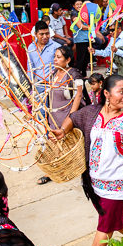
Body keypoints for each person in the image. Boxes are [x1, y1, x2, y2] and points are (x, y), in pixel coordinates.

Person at [50, 75, 123, 246]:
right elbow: (74, 118)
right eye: (121, 91)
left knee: (105, 225)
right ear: (106, 94)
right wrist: (63, 131)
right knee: (113, 219)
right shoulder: (92, 113)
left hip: (119, 183)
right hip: (94, 182)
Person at [37, 46, 87, 185]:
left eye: (59, 57)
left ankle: (81, 171)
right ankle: (53, 172)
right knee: (54, 144)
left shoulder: (74, 74)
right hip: (54, 115)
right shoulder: (54, 74)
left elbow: (78, 95)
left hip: (67, 116)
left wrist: (70, 118)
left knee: (73, 145)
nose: (55, 60)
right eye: (55, 57)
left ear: (68, 60)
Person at [27, 20, 60, 89]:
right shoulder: (31, 47)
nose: (45, 37)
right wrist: (28, 84)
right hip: (39, 85)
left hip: (55, 85)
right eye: (41, 34)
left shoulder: (57, 47)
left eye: (47, 33)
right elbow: (30, 68)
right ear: (35, 34)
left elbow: (62, 68)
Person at [71, 0, 92, 76]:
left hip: (87, 38)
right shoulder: (74, 14)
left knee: (86, 58)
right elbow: (80, 26)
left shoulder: (84, 13)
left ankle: (83, 74)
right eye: (77, 4)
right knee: (81, 58)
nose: (79, 6)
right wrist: (90, 27)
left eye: (81, 4)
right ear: (74, 6)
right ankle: (77, 74)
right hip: (80, 39)